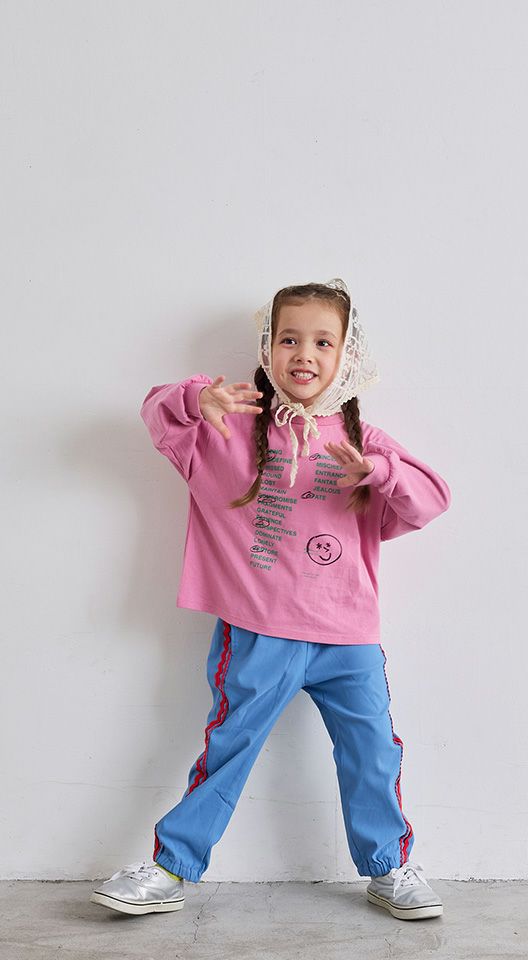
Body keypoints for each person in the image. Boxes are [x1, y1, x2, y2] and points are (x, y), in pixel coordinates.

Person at [89, 278, 451, 921]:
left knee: (373, 753)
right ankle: (171, 867)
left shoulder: (364, 442)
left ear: (347, 355)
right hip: (258, 631)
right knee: (228, 749)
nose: (304, 353)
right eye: (289, 339)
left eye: (323, 342)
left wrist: (379, 472)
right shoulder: (226, 428)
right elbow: (157, 412)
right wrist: (197, 397)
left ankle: (389, 868)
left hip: (348, 637)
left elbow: (431, 500)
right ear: (268, 347)